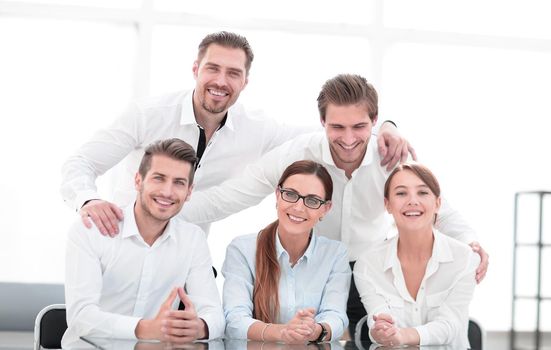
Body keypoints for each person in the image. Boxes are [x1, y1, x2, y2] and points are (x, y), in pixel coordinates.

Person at [179, 74, 489, 339]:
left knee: (377, 337)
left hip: (371, 271)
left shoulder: (391, 157)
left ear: (375, 123)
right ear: (322, 122)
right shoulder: (299, 152)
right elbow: (230, 195)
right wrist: (159, 212)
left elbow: (435, 206)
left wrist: (469, 242)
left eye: (359, 126)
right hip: (316, 271)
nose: (349, 139)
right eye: (338, 127)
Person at [60, 31, 411, 236]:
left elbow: (335, 130)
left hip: (186, 257)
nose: (220, 81)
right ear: (196, 69)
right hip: (126, 241)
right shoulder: (147, 115)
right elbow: (80, 164)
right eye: (212, 69)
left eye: (233, 73)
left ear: (245, 80)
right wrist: (88, 200)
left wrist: (387, 127)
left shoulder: (257, 129)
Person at [62, 138, 224, 347]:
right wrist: (147, 328)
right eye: (159, 178)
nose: (167, 192)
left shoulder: (193, 239)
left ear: (189, 192)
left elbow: (215, 315)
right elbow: (81, 317)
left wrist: (200, 327)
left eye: (179, 183)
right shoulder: (91, 231)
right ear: (138, 181)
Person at [353, 163, 479, 348]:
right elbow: (378, 320)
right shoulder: (367, 265)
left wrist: (402, 335)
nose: (412, 201)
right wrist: (380, 330)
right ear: (387, 204)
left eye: (422, 193)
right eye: (401, 193)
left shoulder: (465, 259)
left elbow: (451, 326)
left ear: (438, 203)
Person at [223, 160, 350, 343]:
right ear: (277, 195)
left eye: (312, 200)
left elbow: (336, 316)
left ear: (325, 209)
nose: (298, 207)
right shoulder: (242, 250)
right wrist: (283, 332)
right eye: (290, 194)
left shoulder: (335, 254)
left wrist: (316, 331)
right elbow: (234, 321)